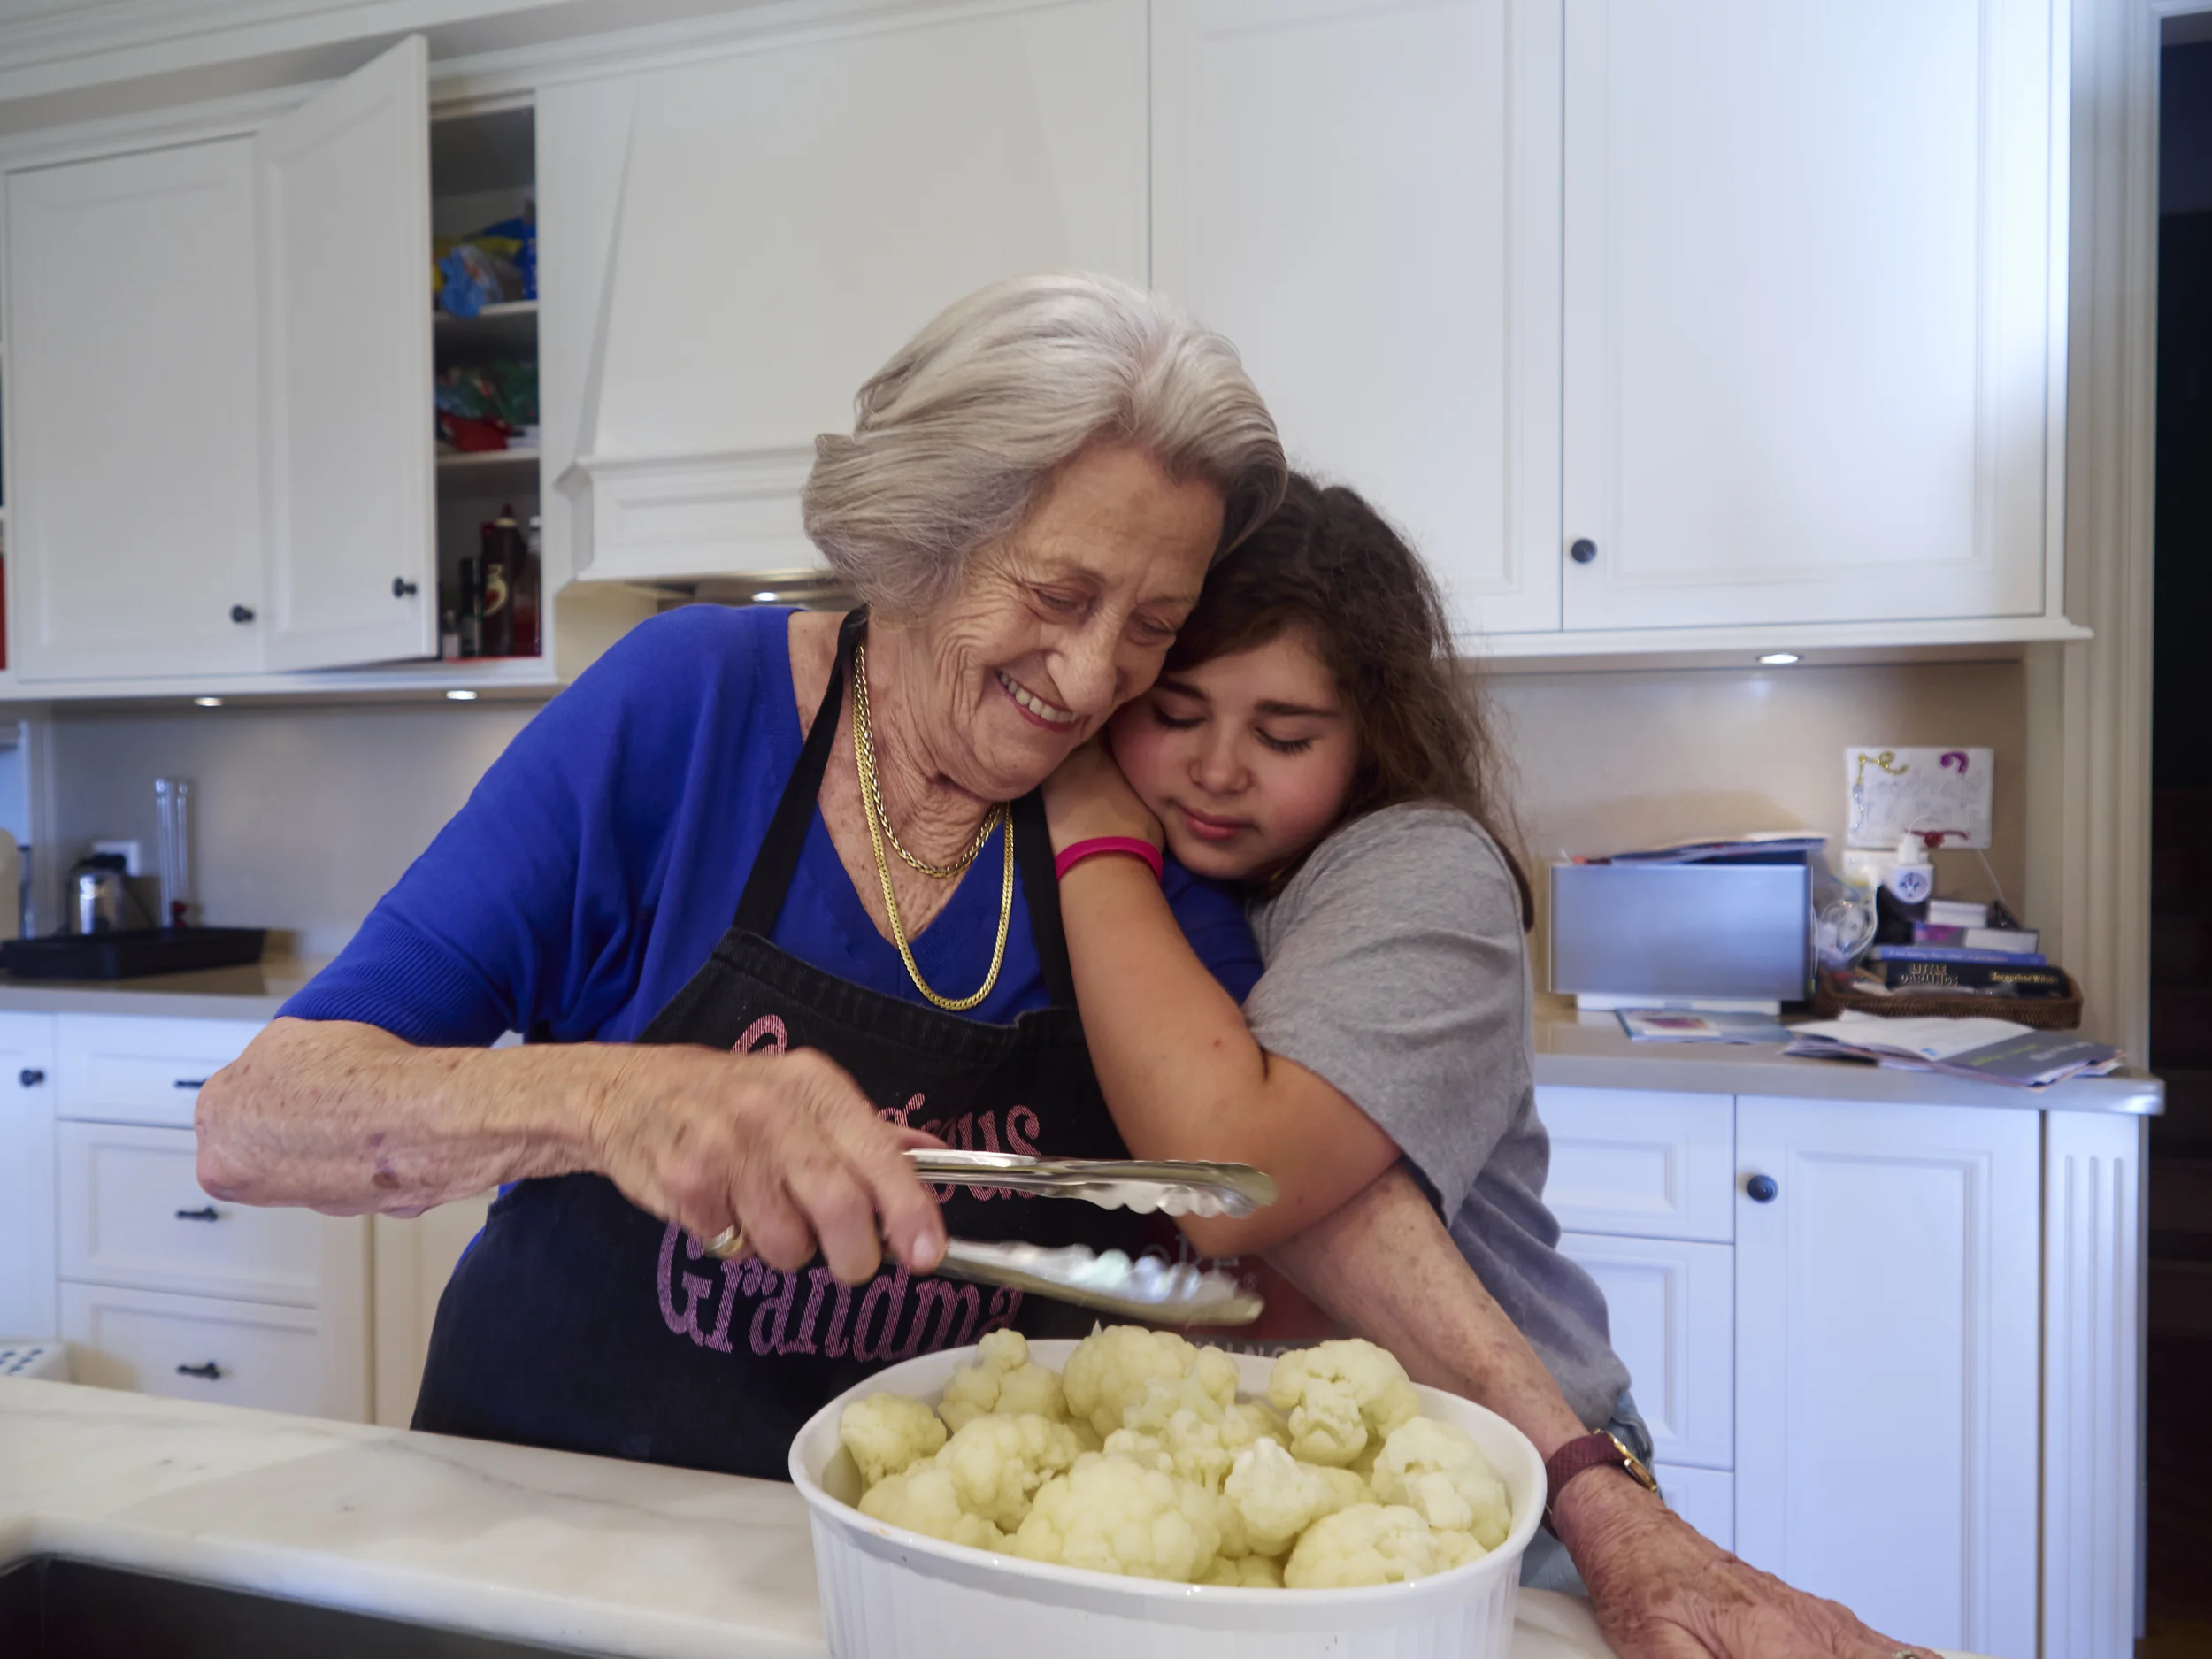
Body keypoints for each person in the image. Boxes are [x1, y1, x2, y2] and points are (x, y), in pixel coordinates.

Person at [194, 272, 1288, 1478]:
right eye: (1057, 595)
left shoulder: (1144, 801)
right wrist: (615, 1101)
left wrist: (1537, 1437)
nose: (1091, 680)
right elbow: (259, 1119)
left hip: (915, 1578)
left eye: (1151, 624)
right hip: (551, 1520)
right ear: (921, 537)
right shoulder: (688, 705)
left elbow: (1270, 1184)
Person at [1044, 473, 1924, 1658]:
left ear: (1371, 735)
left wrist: (1085, 811)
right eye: (1178, 711)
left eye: (1285, 732)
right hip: (1274, 1470)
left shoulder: (1418, 870)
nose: (1217, 767)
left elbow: (1233, 1178)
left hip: (1505, 1463)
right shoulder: (1173, 881)